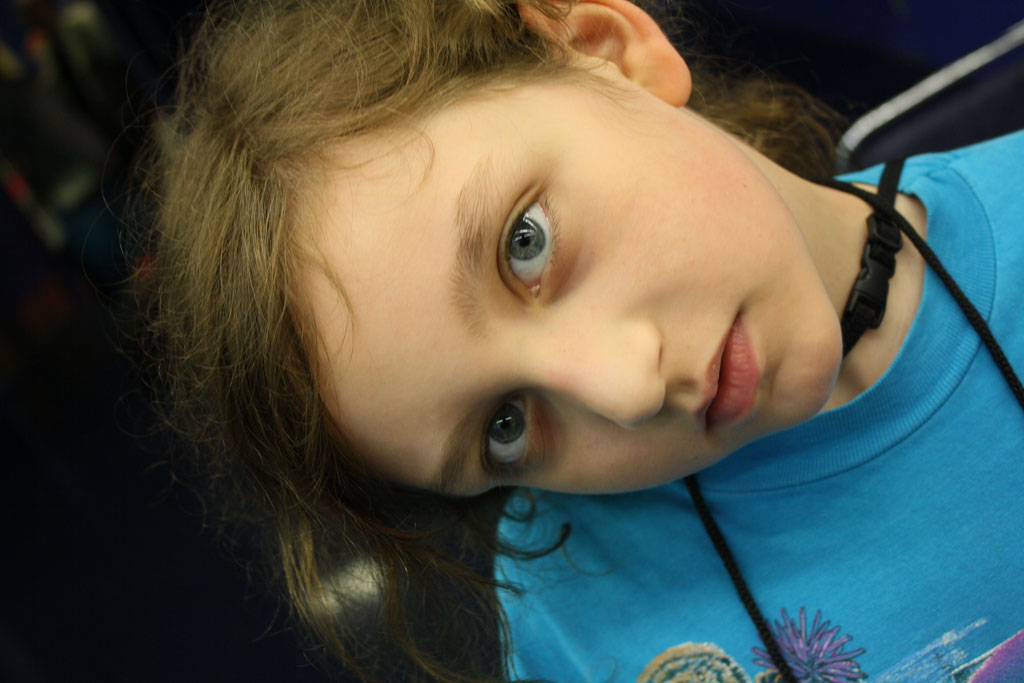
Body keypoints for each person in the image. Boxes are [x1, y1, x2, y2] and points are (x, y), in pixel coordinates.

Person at [133, 0, 1024, 680]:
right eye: (506, 426)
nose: (627, 389)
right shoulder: (575, 627)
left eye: (527, 243)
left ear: (608, 53)